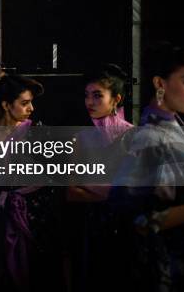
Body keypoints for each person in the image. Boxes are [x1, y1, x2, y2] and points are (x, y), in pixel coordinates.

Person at [112, 43, 184, 292]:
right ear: (160, 84)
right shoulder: (149, 138)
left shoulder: (178, 126)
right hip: (171, 272)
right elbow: (140, 220)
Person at [0, 71, 66, 292]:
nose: (31, 109)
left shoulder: (35, 132)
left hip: (34, 213)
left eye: (31, 103)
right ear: (6, 105)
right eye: (24, 103)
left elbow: (53, 173)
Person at [66, 64, 135, 292]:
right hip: (90, 227)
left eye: (97, 96)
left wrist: (91, 186)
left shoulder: (134, 136)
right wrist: (114, 191)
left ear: (116, 99)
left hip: (126, 229)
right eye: (86, 95)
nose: (89, 102)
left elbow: (135, 193)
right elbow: (72, 193)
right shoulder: (80, 138)